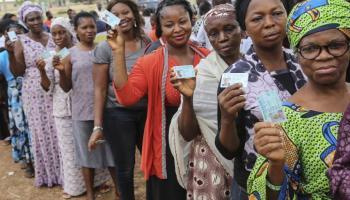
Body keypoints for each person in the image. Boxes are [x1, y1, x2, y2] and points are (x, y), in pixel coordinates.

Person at [248, 0, 350, 199]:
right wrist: (276, 166)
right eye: (311, 49)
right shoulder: (285, 119)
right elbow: (264, 194)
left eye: (336, 45)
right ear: (297, 54)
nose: (324, 56)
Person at [110, 0, 209, 199]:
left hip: (205, 143)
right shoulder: (150, 62)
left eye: (183, 21)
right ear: (159, 28)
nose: (178, 29)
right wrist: (118, 52)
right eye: (169, 25)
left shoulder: (206, 57)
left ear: (192, 21)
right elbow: (127, 98)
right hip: (168, 147)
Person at [214, 0, 307, 199]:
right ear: (245, 28)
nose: (269, 23)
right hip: (257, 187)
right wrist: (227, 119)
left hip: (306, 182)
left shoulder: (305, 62)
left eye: (276, 13)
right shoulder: (236, 76)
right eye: (258, 18)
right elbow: (229, 150)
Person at [169, 4, 241, 199]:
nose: (222, 38)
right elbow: (187, 132)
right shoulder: (203, 73)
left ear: (242, 28)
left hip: (252, 158)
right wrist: (188, 97)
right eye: (213, 34)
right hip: (212, 161)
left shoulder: (258, 67)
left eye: (229, 29)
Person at [88, 1, 150, 199]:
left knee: (151, 162)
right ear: (108, 19)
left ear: (135, 14)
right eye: (116, 14)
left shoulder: (147, 41)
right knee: (125, 168)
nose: (122, 17)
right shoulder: (105, 48)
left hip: (147, 111)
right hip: (118, 113)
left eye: (126, 12)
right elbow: (99, 89)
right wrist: (98, 127)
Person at [57, 12, 118, 200]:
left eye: (92, 26)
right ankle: (90, 193)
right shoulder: (68, 54)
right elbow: (66, 87)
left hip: (106, 109)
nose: (89, 30)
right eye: (84, 27)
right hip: (82, 111)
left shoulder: (104, 48)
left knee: (111, 153)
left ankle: (119, 191)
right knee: (86, 156)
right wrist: (61, 73)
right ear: (76, 30)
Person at [8, 1, 62, 187]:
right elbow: (18, 71)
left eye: (38, 17)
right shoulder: (21, 41)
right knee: (42, 131)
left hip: (58, 87)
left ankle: (66, 173)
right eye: (31, 19)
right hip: (34, 92)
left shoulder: (53, 36)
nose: (36, 21)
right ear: (25, 21)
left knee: (59, 129)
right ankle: (50, 175)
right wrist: (9, 53)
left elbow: (64, 54)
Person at [0, 19, 33, 177]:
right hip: (15, 96)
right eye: (12, 35)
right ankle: (27, 161)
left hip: (33, 93)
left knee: (33, 128)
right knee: (21, 129)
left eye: (19, 34)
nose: (16, 38)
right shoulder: (3, 56)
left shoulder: (31, 49)